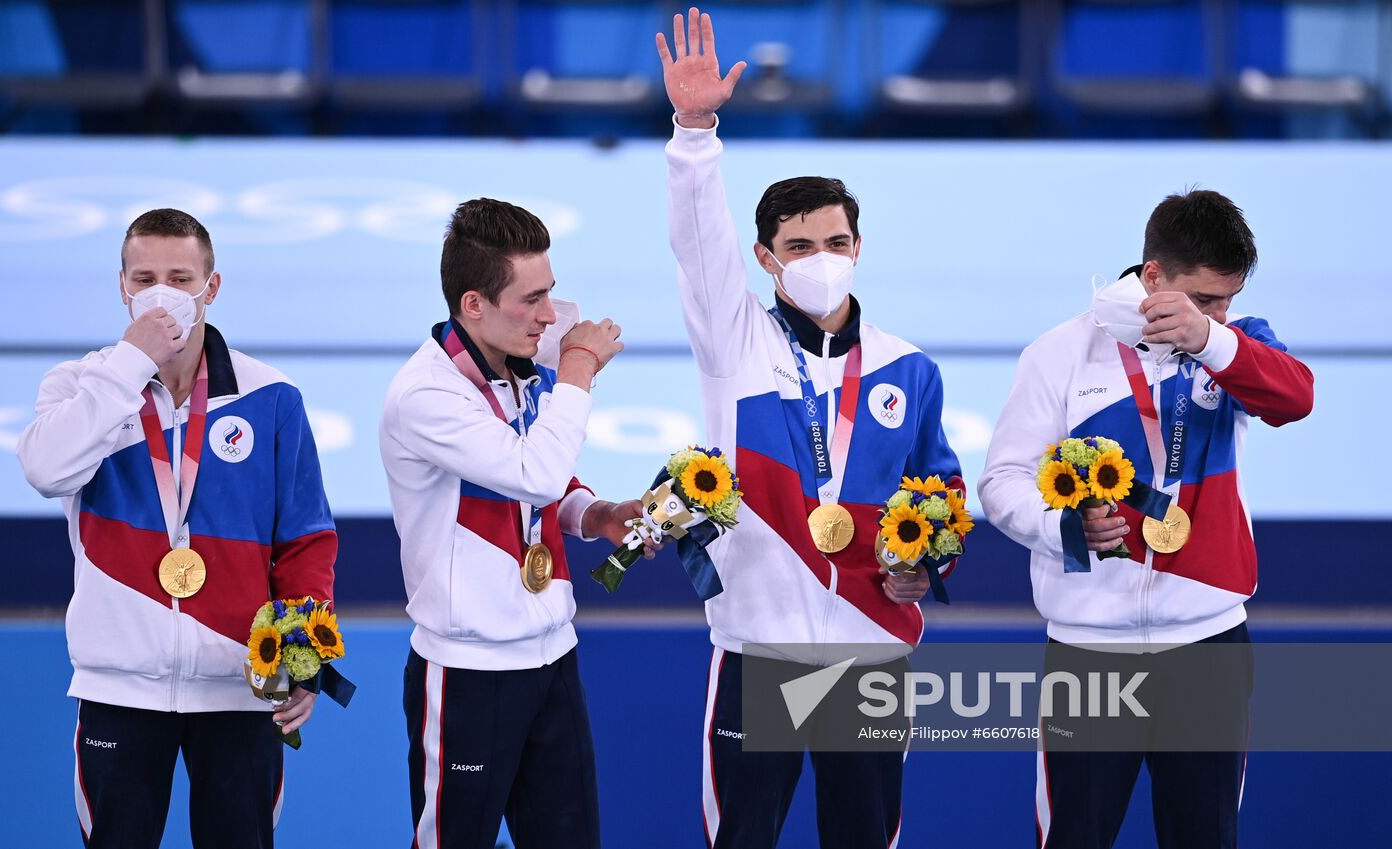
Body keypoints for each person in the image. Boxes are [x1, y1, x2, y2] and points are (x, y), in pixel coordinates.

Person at [656, 9, 965, 848]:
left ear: (859, 244)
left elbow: (944, 494)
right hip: (761, 653)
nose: (820, 255)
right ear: (766, 259)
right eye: (798, 244)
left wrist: (925, 563)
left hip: (870, 656)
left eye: (834, 240)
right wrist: (695, 132)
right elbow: (697, 243)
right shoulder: (736, 341)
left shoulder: (910, 369)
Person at [978, 189, 1315, 849]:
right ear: (1153, 277)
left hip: (1208, 645)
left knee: (1206, 837)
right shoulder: (1061, 352)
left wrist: (1213, 337)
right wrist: (1062, 528)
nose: (1220, 313)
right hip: (1091, 648)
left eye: (1229, 299)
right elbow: (1003, 481)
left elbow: (1296, 398)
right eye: (1205, 299)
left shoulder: (1237, 343)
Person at [16, 208, 338, 849]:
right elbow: (47, 470)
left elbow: (303, 540)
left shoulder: (271, 396)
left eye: (180, 277)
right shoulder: (84, 387)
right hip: (120, 685)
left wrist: (303, 655)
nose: (162, 294)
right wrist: (128, 365)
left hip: (240, 688)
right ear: (123, 286)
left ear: (211, 288)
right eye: (145, 277)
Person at [380, 197, 646, 849]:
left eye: (550, 293)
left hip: (552, 655)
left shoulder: (519, 369)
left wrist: (597, 513)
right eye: (531, 299)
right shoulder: (427, 395)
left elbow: (535, 489)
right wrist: (579, 370)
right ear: (474, 305)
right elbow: (531, 471)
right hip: (467, 670)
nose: (550, 316)